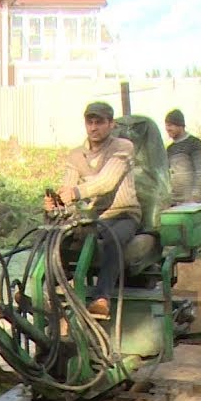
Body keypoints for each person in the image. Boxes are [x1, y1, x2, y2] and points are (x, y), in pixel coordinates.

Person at [42, 101, 141, 319]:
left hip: (124, 214)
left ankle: (101, 298)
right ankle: (45, 291)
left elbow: (107, 181)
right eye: (90, 122)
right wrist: (56, 202)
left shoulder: (123, 148)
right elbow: (67, 188)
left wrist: (75, 193)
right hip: (95, 218)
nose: (94, 127)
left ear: (111, 124)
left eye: (99, 122)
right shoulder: (76, 155)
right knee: (56, 236)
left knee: (112, 240)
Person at [164, 109, 201, 204]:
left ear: (180, 125)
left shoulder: (194, 143)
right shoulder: (170, 149)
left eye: (170, 125)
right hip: (175, 201)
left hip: (192, 202)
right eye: (166, 125)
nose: (167, 129)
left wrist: (195, 197)